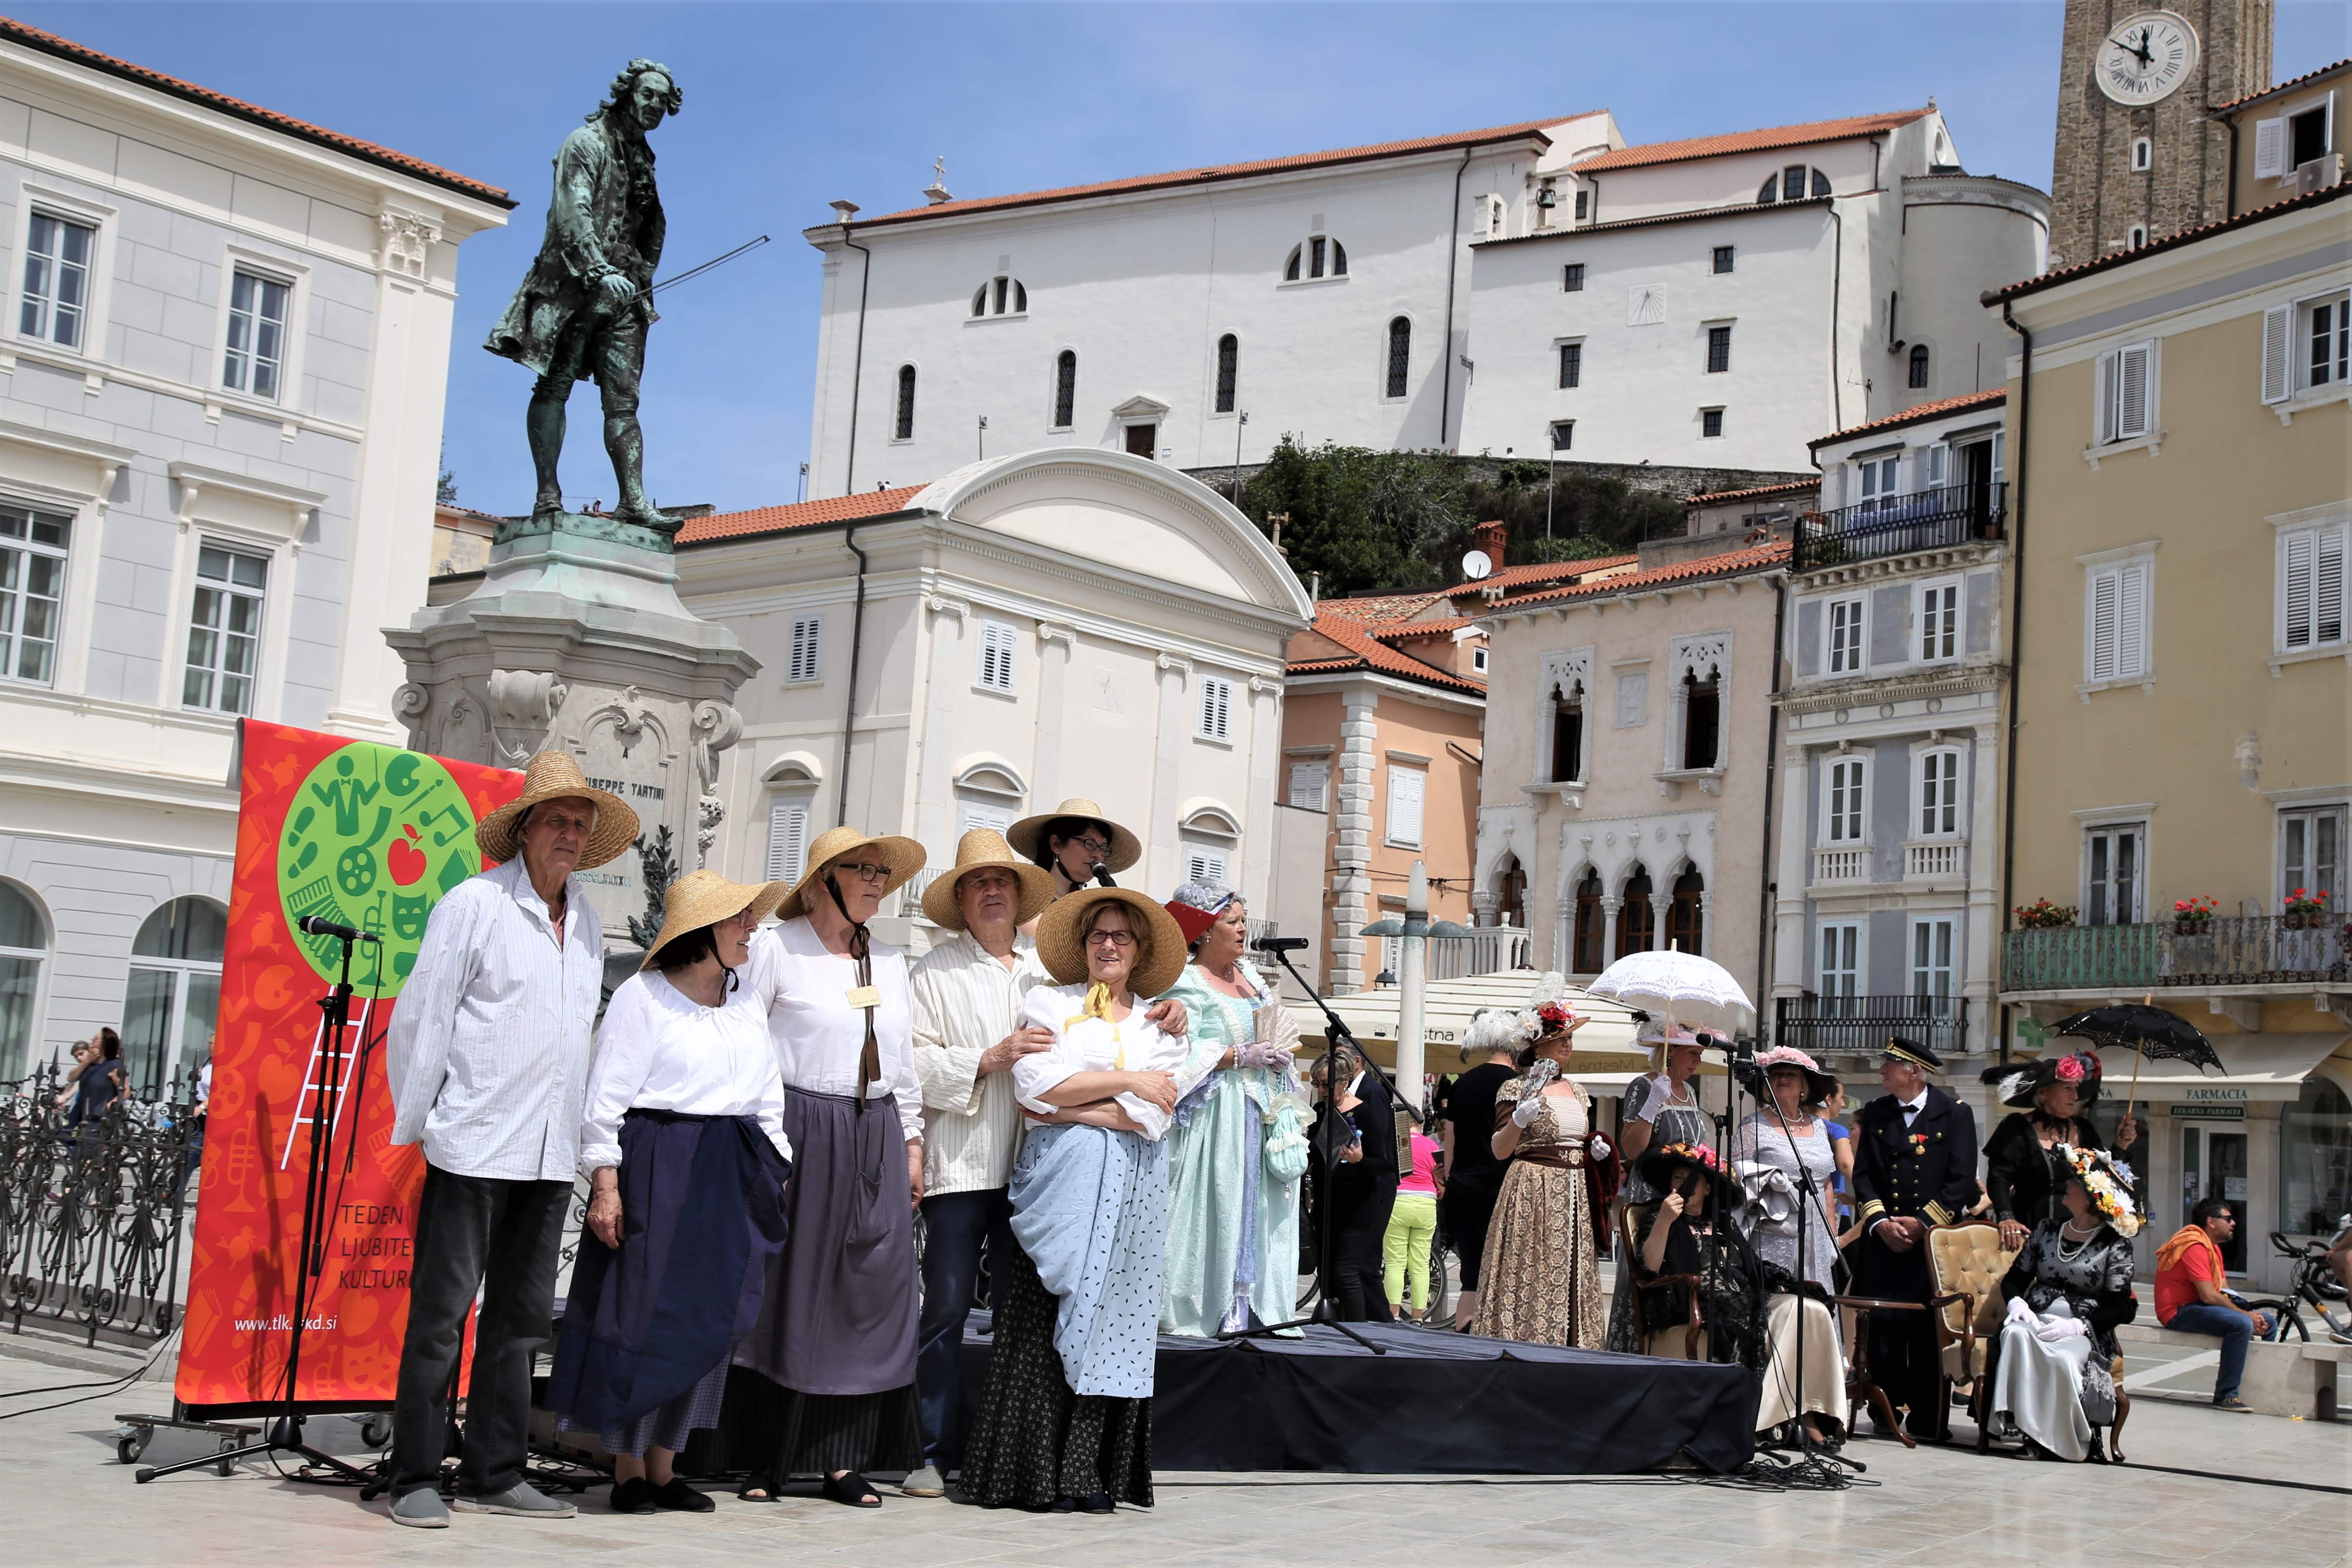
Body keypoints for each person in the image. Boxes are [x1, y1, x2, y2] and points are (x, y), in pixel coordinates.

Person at [384, 751, 637, 1528]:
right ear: (524, 830)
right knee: (441, 1315)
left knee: (519, 1322)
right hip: (471, 1143)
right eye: (555, 819)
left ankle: (495, 1470)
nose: (568, 832)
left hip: (544, 1152)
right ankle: (414, 1475)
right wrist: (424, 1122)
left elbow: (579, 1040)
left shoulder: (588, 919)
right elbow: (422, 1020)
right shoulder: (473, 904)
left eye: (579, 823)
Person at [901, 830, 1186, 1496]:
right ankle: (931, 1450)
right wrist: (986, 1058)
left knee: (1023, 1318)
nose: (992, 891)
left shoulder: (1044, 972)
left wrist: (1169, 1012)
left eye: (1003, 881)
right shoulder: (931, 971)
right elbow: (912, 1065)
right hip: (966, 1159)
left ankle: (1001, 1448)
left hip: (1039, 1171)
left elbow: (1140, 1077)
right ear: (961, 899)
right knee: (943, 1308)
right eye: (978, 883)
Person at [547, 871, 793, 1514]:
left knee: (709, 1313)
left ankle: (665, 1465)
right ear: (702, 931)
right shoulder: (643, 997)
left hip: (731, 1169)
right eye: (739, 919)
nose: (751, 929)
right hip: (661, 1160)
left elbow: (767, 1089)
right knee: (646, 1312)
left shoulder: (742, 1002)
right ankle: (628, 1467)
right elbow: (605, 1098)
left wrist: (777, 1163)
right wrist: (606, 1181)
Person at [961, 889, 1193, 1512]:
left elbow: (1158, 1105)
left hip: (1132, 1191)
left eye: (1120, 937)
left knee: (1113, 1327)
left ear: (1138, 950)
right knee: (1048, 1324)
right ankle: (1033, 1472)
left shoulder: (1157, 1022)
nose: (1108, 946)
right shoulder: (1050, 1003)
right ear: (1083, 947)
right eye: (1098, 936)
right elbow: (1033, 1084)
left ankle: (1086, 1471)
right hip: (1059, 1187)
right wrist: (1125, 1082)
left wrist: (1074, 1106)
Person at [732, 825, 929, 1508]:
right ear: (824, 879)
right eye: (861, 868)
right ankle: (763, 1456)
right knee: (789, 1285)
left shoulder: (892, 960)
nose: (876, 879)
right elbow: (744, 1041)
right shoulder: (775, 949)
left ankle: (842, 1459)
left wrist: (910, 1142)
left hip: (873, 1127)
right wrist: (765, 1139)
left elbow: (900, 1061)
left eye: (881, 870)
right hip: (798, 1123)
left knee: (866, 1291)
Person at [486, 59, 679, 526]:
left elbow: (652, 223)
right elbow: (573, 210)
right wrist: (597, 270)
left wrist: (641, 276)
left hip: (626, 293)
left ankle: (633, 499)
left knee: (624, 401)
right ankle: (548, 495)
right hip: (573, 286)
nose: (654, 105)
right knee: (554, 384)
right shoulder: (585, 142)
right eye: (647, 94)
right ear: (627, 94)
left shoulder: (643, 157)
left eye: (662, 99)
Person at [1158, 881, 1303, 1338]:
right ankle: (1205, 1307)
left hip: (1260, 1106)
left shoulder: (1255, 982)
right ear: (1203, 930)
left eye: (1243, 920)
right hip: (1217, 1111)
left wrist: (1277, 1058)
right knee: (1216, 1199)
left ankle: (1254, 1306)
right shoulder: (1185, 980)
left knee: (1259, 1205)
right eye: (1233, 921)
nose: (1243, 929)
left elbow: (1272, 1037)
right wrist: (1240, 1056)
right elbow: (1178, 1050)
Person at [1472, 979, 1620, 1348]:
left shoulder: (1578, 1091)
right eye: (1562, 1039)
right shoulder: (1515, 1089)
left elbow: (1577, 1139)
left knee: (1570, 1265)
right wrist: (1518, 1121)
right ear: (1539, 1046)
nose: (1569, 1045)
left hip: (1572, 1189)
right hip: (1533, 1184)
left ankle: (1572, 1341)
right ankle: (1526, 1339)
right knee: (1532, 1266)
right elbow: (1499, 1150)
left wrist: (1595, 1150)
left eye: (1570, 1039)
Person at [1848, 1035, 1978, 1442]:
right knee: (1883, 1329)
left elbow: (1960, 1183)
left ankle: (1929, 1417)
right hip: (1883, 1243)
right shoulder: (1876, 1113)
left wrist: (1922, 1223)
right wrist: (1880, 1223)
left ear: (1914, 1071)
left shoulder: (1954, 1113)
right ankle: (1884, 1414)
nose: (1882, 1071)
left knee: (1927, 1333)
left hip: (1928, 1246)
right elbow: (1863, 1176)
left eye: (1890, 1065)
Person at [1731, 1047, 1850, 1444]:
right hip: (1770, 1230)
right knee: (1782, 1314)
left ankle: (1815, 1406)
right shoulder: (1752, 1126)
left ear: (1805, 1087)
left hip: (1814, 1233)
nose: (1783, 1079)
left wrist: (1832, 1237)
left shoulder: (1820, 1128)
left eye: (1791, 1075)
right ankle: (1774, 1408)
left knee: (1817, 1313)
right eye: (1776, 1074)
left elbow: (1828, 1184)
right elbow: (1736, 1181)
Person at [1991, 1146, 2141, 1460]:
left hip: (2082, 1331)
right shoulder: (2047, 1230)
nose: (2066, 1188)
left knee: (2062, 1361)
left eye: (2072, 1185)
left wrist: (2079, 1326)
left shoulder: (2114, 1246)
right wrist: (2017, 1305)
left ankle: (2059, 1440)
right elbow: (2014, 1279)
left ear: (2089, 1198)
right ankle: (2027, 1432)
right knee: (2014, 1335)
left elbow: (2123, 1307)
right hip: (2037, 1318)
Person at [1604, 1022, 1713, 1353]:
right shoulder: (1643, 1086)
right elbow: (1632, 1148)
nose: (1697, 1061)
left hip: (1684, 1195)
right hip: (1651, 1195)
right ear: (1671, 1053)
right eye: (1691, 1053)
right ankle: (1633, 1348)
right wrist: (1652, 1106)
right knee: (1646, 1268)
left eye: (1699, 1054)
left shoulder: (1691, 1092)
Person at [1624, 1142, 1766, 1370]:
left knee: (1798, 1307)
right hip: (1692, 1303)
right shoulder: (1659, 1218)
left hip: (1742, 1296)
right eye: (1678, 1178)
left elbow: (1753, 1264)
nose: (1684, 1185)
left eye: (1693, 1179)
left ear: (1707, 1189)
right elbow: (1648, 1269)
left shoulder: (1724, 1223)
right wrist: (1665, 1220)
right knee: (1741, 1313)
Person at [1980, 1051, 2139, 1252]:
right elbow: (1999, 1178)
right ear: (2043, 1093)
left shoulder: (2084, 1128)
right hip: (2029, 1230)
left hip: (2077, 1234)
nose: (2075, 1095)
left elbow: (2105, 1177)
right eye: (2067, 1088)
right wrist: (2006, 1218)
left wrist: (2122, 1145)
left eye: (2076, 1088)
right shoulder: (2017, 1128)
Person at [2153, 1196, 2279, 1411]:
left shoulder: (2213, 1248)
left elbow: (2223, 1291)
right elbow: (2209, 1296)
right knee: (2241, 1324)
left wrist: (2250, 1312)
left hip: (2198, 1306)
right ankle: (2226, 1395)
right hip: (2178, 1311)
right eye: (2228, 1219)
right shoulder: (2194, 1246)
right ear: (2212, 1222)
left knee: (2268, 1322)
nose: (2233, 1223)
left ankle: (2255, 1389)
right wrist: (2245, 1316)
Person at [1440, 1012, 1521, 1330]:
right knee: (1503, 1273)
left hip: (1463, 1186)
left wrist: (1450, 1177)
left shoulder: (1463, 1082)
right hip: (1500, 1185)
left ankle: (1464, 1340)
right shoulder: (1515, 1086)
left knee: (1471, 1276)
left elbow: (1451, 1137)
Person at [1314, 1039, 1399, 1322]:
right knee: (1330, 1272)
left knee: (1348, 1270)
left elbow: (1384, 1162)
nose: (1322, 1091)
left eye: (1327, 1084)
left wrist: (1359, 1160)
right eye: (1318, 1084)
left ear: (1345, 1080)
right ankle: (1338, 1324)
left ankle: (1360, 1331)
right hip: (1330, 1203)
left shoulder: (1365, 1108)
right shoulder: (1324, 1110)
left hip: (1359, 1205)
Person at [1006, 796, 1143, 901]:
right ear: (1056, 844)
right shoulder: (1028, 900)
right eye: (1089, 843)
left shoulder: (1091, 907)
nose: (1098, 855)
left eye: (1103, 848)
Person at [1384, 1110, 1443, 1320]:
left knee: (1395, 1262)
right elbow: (1440, 1176)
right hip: (1426, 1203)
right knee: (1420, 1263)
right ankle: (1418, 1316)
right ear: (1420, 1124)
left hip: (1399, 1201)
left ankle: (1394, 1314)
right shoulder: (1432, 1145)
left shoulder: (1397, 1143)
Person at [63, 1029, 127, 1126]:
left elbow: (126, 1092)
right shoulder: (90, 1063)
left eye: (96, 1039)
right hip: (79, 1114)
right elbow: (71, 1078)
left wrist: (110, 1106)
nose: (92, 1041)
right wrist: (86, 1062)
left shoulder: (114, 1065)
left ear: (105, 1044)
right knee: (65, 1138)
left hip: (99, 1119)